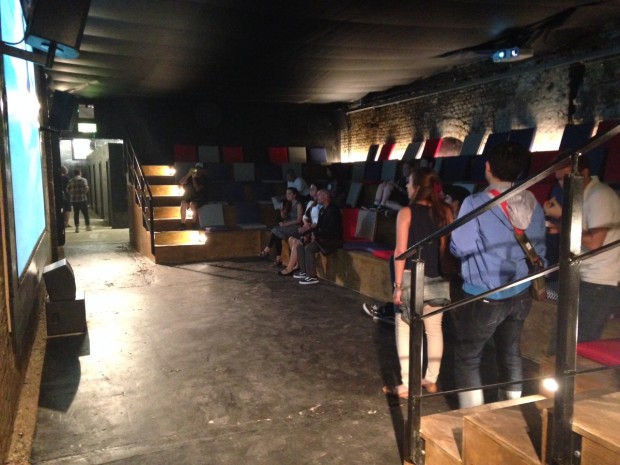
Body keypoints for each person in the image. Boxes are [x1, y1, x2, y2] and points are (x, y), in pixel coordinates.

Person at [450, 141, 546, 408]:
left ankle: (474, 418)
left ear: (488, 167)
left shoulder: (475, 203)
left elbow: (461, 247)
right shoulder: (532, 201)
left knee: (468, 356)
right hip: (521, 290)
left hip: (485, 293)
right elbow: (539, 249)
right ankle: (509, 411)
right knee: (510, 352)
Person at [382, 167, 453, 398]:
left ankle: (407, 384)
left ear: (418, 187)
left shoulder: (406, 212)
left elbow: (400, 251)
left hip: (412, 276)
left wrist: (398, 286)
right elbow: (445, 249)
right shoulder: (445, 211)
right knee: (434, 331)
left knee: (404, 329)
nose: (406, 186)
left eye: (409, 183)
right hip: (438, 276)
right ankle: (431, 380)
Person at [543, 154, 620, 342]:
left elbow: (594, 243)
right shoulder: (583, 196)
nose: (562, 184)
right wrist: (560, 225)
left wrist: (562, 220)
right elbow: (582, 231)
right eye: (559, 180)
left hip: (600, 281)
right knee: (564, 338)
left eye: (566, 178)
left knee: (579, 341)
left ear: (584, 173)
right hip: (585, 276)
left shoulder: (600, 196)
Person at [294, 189, 342, 285]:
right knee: (300, 244)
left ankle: (312, 276)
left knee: (309, 248)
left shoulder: (333, 210)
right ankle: (304, 271)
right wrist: (308, 234)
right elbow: (318, 226)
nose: (316, 197)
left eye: (319, 195)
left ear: (325, 197)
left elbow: (331, 230)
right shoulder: (322, 209)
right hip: (321, 236)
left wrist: (315, 235)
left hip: (331, 239)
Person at [278, 183, 322, 276]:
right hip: (308, 228)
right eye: (310, 189)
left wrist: (308, 227)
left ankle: (290, 268)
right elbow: (304, 217)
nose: (310, 190)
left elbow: (318, 221)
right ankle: (298, 265)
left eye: (313, 189)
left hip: (314, 231)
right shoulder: (311, 203)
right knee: (291, 239)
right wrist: (305, 224)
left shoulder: (321, 206)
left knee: (297, 242)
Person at [260, 187, 304, 266]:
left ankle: (267, 250)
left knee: (276, 231)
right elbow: (284, 217)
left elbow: (298, 220)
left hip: (296, 227)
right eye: (286, 194)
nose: (287, 195)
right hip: (288, 225)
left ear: (294, 195)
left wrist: (286, 224)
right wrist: (281, 210)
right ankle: (278, 258)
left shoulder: (298, 204)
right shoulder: (288, 204)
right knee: (277, 233)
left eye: (289, 194)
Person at [179, 162, 208, 230]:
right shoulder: (190, 177)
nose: (198, 170)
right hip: (189, 198)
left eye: (200, 169)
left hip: (199, 198)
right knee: (183, 203)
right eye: (197, 168)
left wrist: (194, 179)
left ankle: (194, 223)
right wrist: (189, 174)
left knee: (192, 204)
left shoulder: (204, 179)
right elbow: (181, 182)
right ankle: (183, 224)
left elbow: (197, 189)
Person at [66, 169, 91, 233]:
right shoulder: (84, 180)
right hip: (83, 199)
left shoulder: (71, 181)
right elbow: (86, 188)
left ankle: (77, 228)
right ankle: (88, 226)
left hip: (74, 200)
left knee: (76, 214)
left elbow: (67, 189)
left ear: (74, 174)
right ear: (80, 173)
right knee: (85, 213)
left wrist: (72, 194)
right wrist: (84, 193)